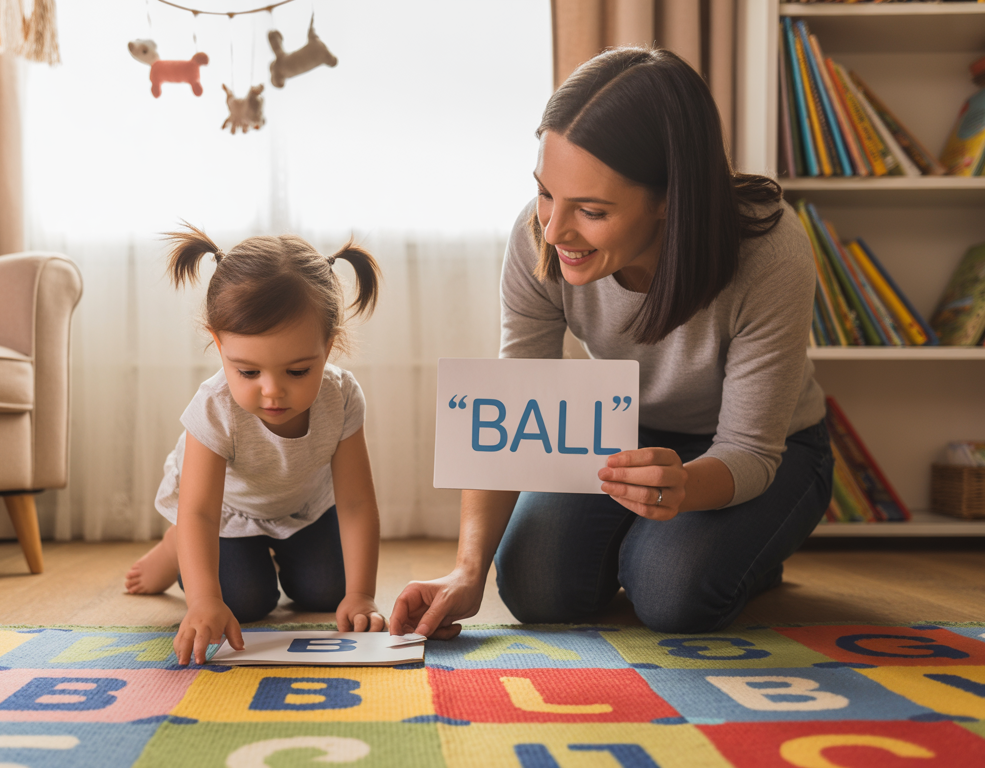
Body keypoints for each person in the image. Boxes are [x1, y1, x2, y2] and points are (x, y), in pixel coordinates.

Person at [390, 47, 833, 639]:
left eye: (591, 211)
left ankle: (739, 550)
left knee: (671, 594)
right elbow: (515, 403)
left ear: (670, 199)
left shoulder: (771, 250)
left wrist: (683, 491)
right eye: (546, 192)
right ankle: (669, 544)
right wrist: (467, 571)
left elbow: (751, 449)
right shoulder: (538, 236)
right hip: (624, 432)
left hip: (769, 449)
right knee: (534, 588)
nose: (553, 230)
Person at [125, 225, 387, 665]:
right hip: (225, 515)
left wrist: (362, 596)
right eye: (248, 373)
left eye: (298, 371)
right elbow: (199, 511)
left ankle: (287, 553)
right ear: (218, 343)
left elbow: (357, 503)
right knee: (243, 602)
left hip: (301, 508)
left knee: (330, 593)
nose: (272, 392)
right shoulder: (215, 408)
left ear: (330, 344)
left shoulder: (341, 396)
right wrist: (203, 602)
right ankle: (174, 546)